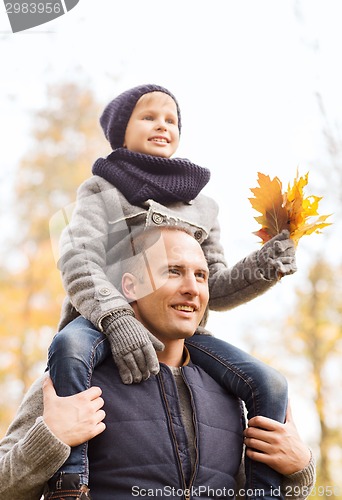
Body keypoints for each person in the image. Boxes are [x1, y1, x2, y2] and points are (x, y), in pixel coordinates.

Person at [48, 83, 298, 499]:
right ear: (120, 132)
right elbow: (78, 260)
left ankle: (263, 490)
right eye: (148, 117)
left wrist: (266, 264)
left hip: (181, 331)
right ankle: (70, 480)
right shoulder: (102, 192)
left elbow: (212, 288)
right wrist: (117, 318)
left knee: (268, 383)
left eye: (171, 120)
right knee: (68, 348)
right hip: (102, 320)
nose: (162, 125)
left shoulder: (203, 205)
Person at [0, 228, 315, 500]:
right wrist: (50, 438)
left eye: (201, 275)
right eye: (173, 271)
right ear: (130, 287)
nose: (192, 288)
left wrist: (300, 470)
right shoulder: (74, 383)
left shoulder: (231, 391)